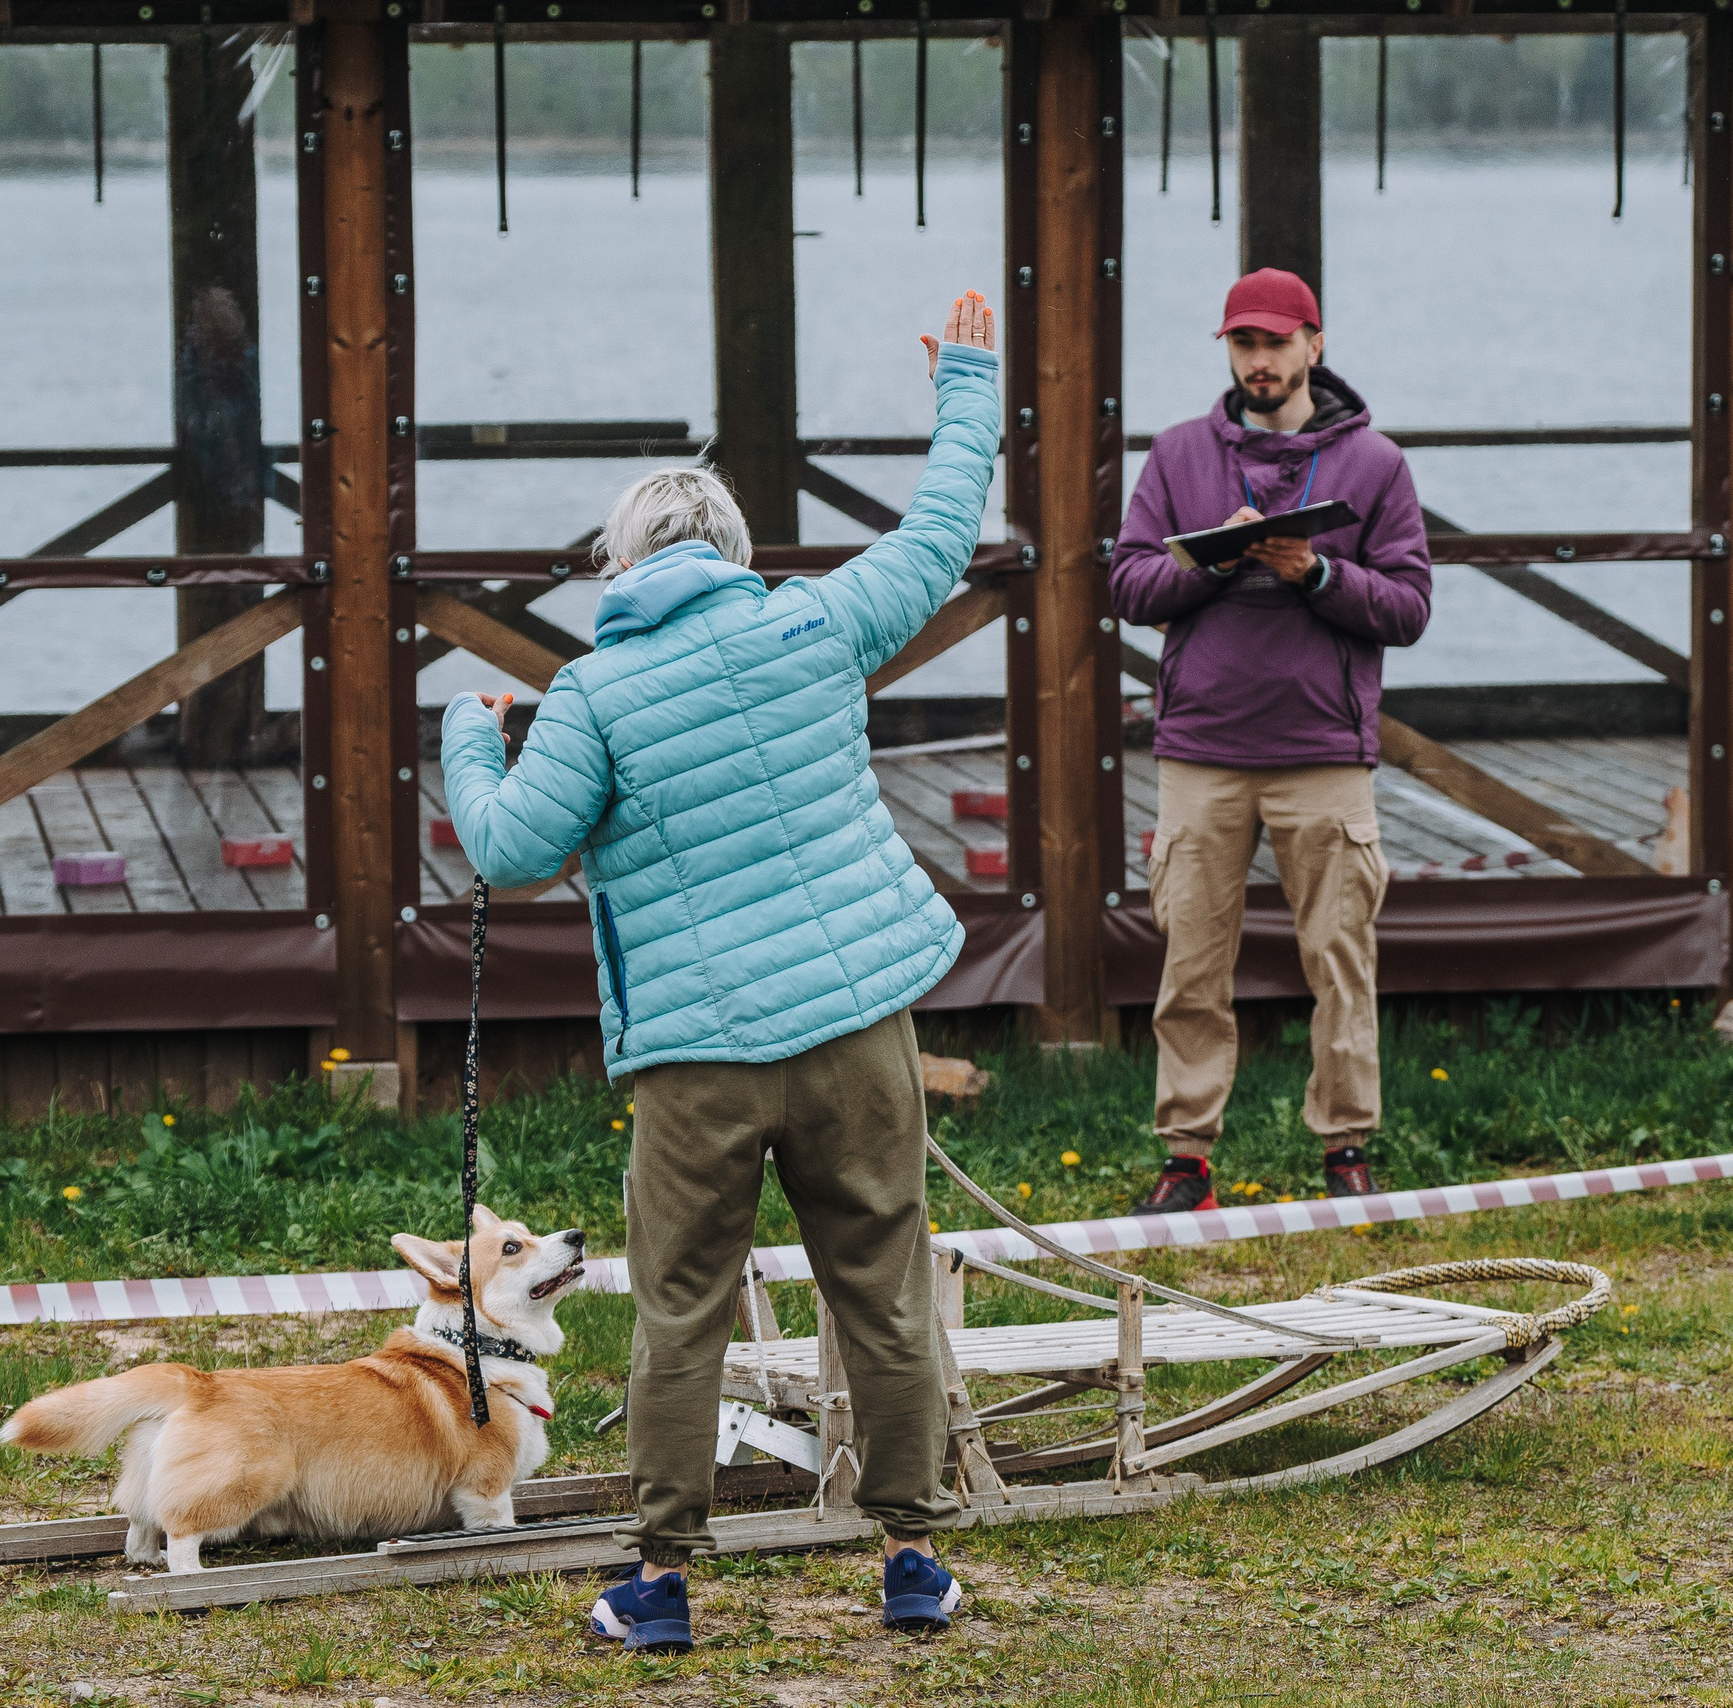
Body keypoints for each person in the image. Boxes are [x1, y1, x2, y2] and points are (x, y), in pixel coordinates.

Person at [440, 291, 1002, 1653]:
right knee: (883, 1278)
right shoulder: (814, 626)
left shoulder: (592, 697)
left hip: (697, 1056)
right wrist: (967, 385)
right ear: (736, 553)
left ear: (618, 568)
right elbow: (939, 534)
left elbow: (511, 847)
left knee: (682, 1309)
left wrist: (467, 734)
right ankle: (915, 1557)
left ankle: (662, 1582)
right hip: (858, 1028)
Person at [1108, 267, 1432, 1214]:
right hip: (1200, 749)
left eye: (1276, 343)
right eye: (1243, 344)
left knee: (1341, 959)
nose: (1260, 360)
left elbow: (1409, 608)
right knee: (1190, 964)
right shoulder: (1175, 457)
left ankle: (1347, 1146)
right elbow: (1127, 588)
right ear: (1230, 352)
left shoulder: (1377, 465)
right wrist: (1212, 560)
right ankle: (1186, 1158)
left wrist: (1317, 571)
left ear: (1313, 347)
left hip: (1325, 753)